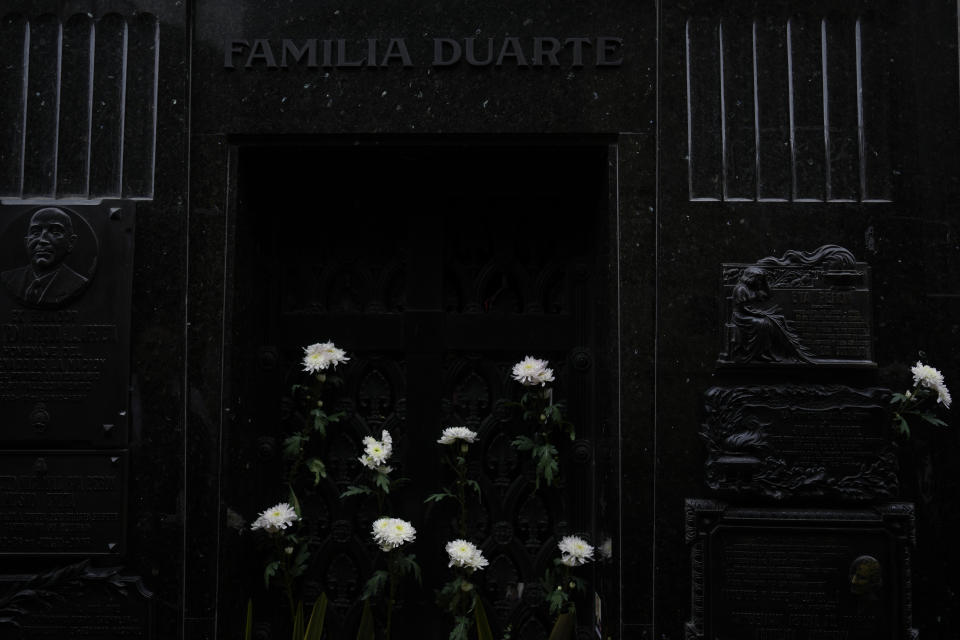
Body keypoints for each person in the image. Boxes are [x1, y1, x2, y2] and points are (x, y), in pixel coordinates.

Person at [1, 207, 89, 307]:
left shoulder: (78, 284)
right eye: (35, 233)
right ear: (26, 242)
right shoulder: (8, 279)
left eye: (55, 232)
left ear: (71, 243)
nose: (42, 240)